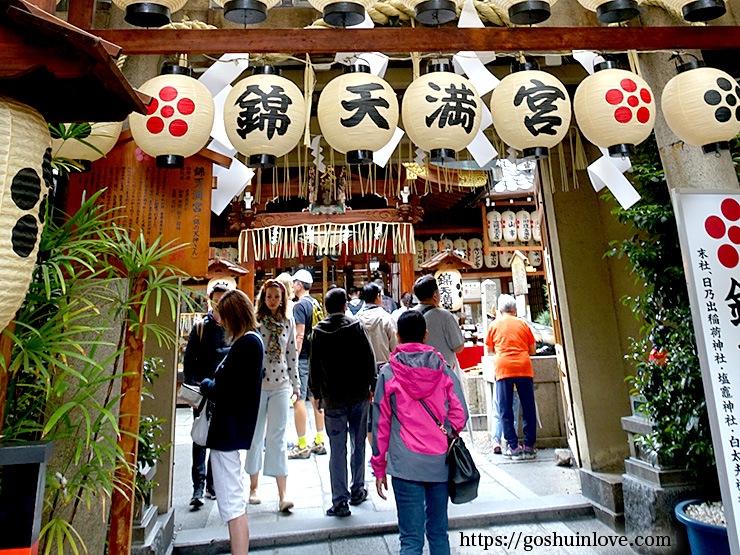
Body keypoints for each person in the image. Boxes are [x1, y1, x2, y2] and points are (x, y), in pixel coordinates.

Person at [372, 311, 468, 555]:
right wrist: (445, 433)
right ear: (426, 335)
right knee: (438, 534)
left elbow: (381, 424)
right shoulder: (444, 369)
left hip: (405, 465)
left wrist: (379, 466)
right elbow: (460, 414)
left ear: (398, 336)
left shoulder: (388, 373)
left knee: (411, 540)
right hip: (440, 462)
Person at [199, 289, 264, 555]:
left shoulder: (246, 343)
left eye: (224, 316)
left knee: (232, 504)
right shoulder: (252, 341)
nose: (221, 322)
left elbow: (229, 388)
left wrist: (206, 386)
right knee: (233, 501)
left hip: (228, 428)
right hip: (232, 427)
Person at [309, 287, 377, 517]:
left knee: (337, 448)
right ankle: (357, 489)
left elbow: (314, 367)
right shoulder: (356, 327)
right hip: (358, 394)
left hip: (332, 397)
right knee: (358, 442)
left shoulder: (318, 332)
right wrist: (372, 386)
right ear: (344, 306)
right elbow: (369, 358)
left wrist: (316, 393)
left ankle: (340, 501)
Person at [246, 279, 300, 512]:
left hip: (281, 385)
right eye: (269, 296)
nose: (273, 301)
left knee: (278, 438)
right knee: (255, 436)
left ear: (283, 298)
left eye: (277, 296)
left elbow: (291, 355)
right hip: (258, 385)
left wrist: (296, 385)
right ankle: (253, 487)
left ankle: (283, 494)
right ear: (263, 297)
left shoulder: (288, 321)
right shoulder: (255, 322)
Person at [182, 280, 232, 509]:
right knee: (199, 439)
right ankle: (197, 488)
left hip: (222, 391)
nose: (219, 303)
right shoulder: (200, 326)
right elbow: (189, 360)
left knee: (217, 439)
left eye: (224, 299)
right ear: (211, 300)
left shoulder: (233, 326)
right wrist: (192, 390)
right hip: (203, 391)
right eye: (217, 298)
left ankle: (213, 485)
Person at [485, 294, 537, 460]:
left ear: (500, 310)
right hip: (523, 366)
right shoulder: (523, 324)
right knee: (528, 406)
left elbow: (490, 350)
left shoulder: (494, 325)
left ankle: (513, 447)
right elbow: (533, 350)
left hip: (504, 368)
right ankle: (529, 445)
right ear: (515, 310)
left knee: (505, 408)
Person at [289, 269, 327, 459]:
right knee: (315, 399)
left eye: (294, 281)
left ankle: (302, 444)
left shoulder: (299, 306)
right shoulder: (315, 303)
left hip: (303, 358)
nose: (292, 285)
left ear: (299, 284)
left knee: (299, 398)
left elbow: (299, 334)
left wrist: (293, 358)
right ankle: (320, 441)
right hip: (316, 357)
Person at [411, 275, 465, 383]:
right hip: (441, 375)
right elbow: (458, 347)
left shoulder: (408, 315)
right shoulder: (445, 316)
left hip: (415, 374)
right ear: (435, 295)